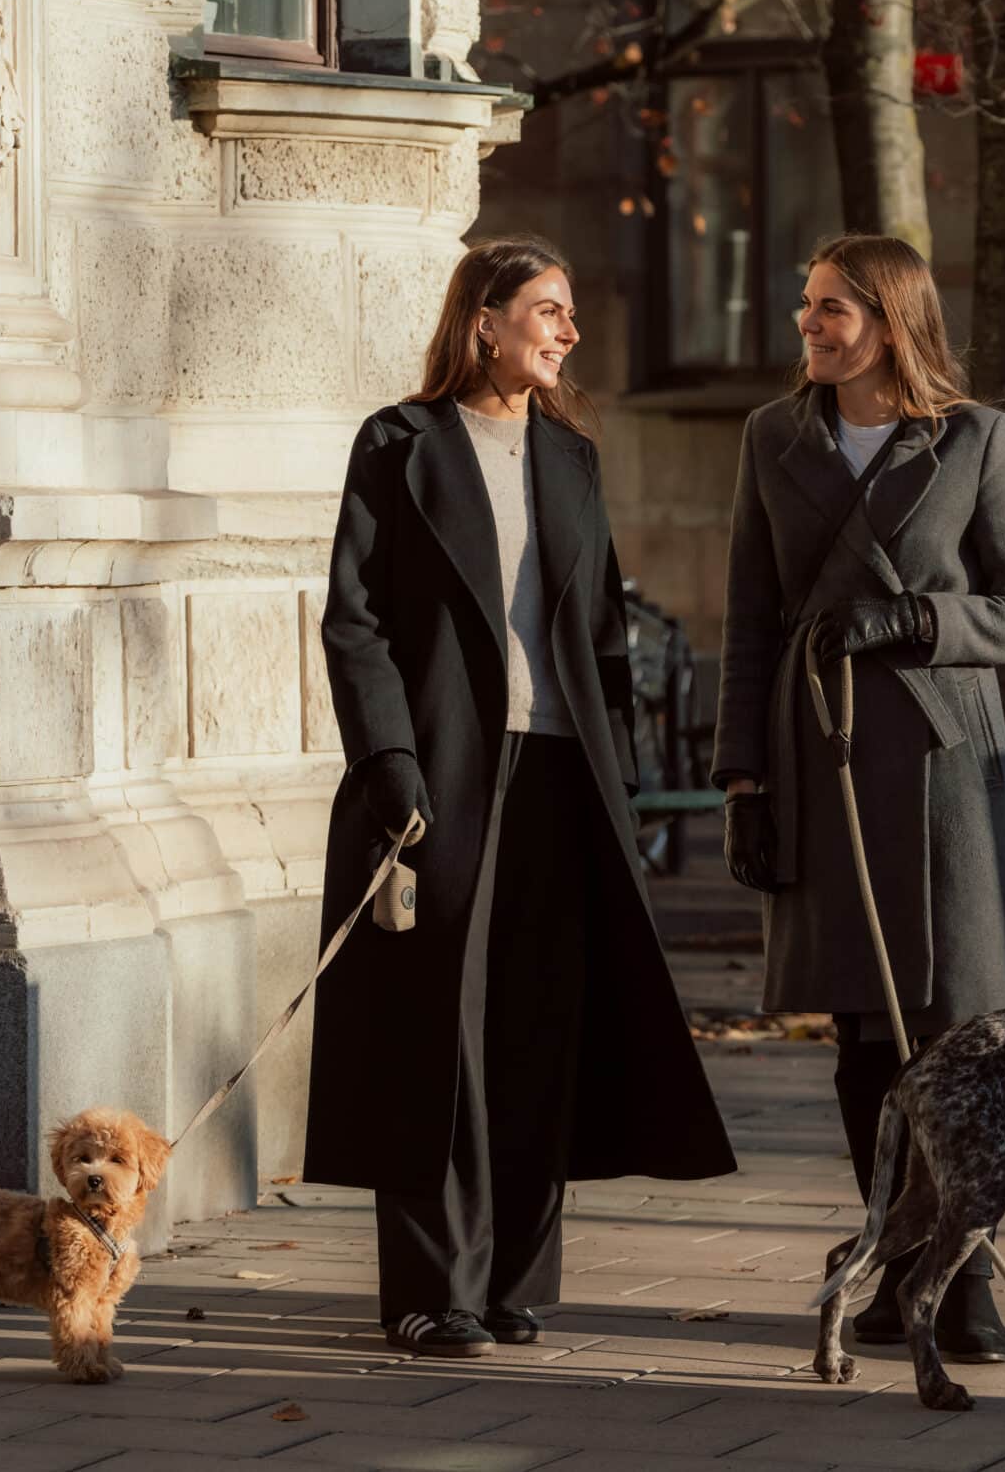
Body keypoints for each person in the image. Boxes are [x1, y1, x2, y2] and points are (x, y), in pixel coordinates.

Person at [307, 236, 736, 1358]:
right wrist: (388, 763)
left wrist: (625, 788)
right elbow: (353, 619)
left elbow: (599, 634)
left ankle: (511, 1284)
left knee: (540, 1031)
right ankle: (425, 1291)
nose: (568, 330)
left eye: (570, 311)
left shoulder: (572, 456)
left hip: (562, 773)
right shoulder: (398, 444)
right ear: (483, 320)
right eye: (547, 309)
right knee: (431, 1030)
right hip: (438, 772)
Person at [713, 233, 1005, 1362]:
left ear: (892, 320)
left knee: (957, 1033)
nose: (808, 326)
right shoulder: (772, 438)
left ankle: (966, 1279)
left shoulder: (973, 438)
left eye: (832, 311)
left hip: (941, 770)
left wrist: (921, 621)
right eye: (805, 306)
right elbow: (748, 621)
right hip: (816, 759)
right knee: (862, 1037)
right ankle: (890, 1261)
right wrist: (743, 778)